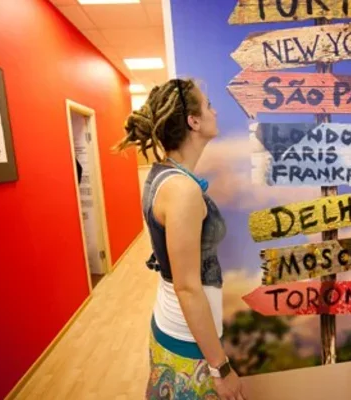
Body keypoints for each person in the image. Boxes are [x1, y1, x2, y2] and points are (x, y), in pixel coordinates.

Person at [116, 78, 246, 400]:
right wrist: (221, 368)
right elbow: (187, 287)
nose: (215, 112)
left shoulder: (162, 175)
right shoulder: (181, 190)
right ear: (193, 121)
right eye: (208, 106)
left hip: (176, 327)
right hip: (188, 344)